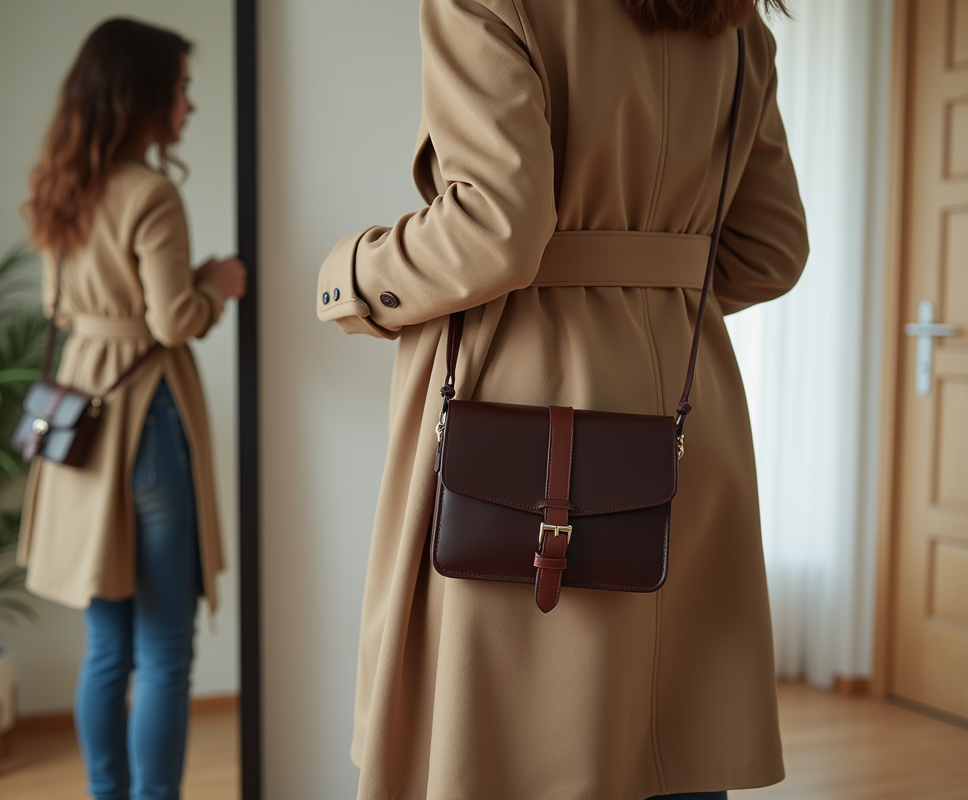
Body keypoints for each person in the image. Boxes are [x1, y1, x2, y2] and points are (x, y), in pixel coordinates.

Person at [315, 1, 807, 799]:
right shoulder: (737, 26)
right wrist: (651, 280)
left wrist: (353, 274)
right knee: (668, 734)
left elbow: (496, 228)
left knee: (516, 750)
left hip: (521, 412)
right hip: (685, 416)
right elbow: (771, 249)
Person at [17, 18, 245, 800]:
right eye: (181, 88)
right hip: (148, 417)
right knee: (166, 650)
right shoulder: (151, 192)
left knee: (106, 644)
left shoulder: (60, 186)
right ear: (142, 93)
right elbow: (174, 320)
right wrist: (221, 283)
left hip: (83, 414)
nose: (189, 106)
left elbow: (56, 302)